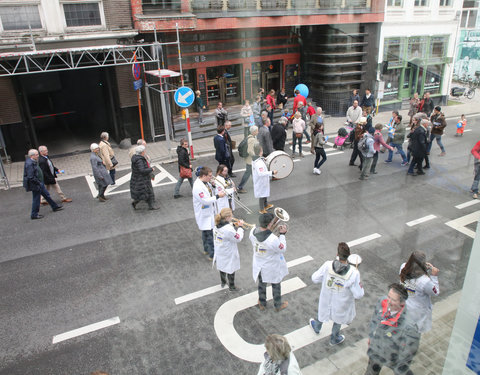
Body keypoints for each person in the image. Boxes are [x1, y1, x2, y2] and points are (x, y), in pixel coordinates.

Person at [309, 242, 364, 345]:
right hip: (341, 303)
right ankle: (334, 338)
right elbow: (358, 294)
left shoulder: (327, 265)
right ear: (349, 255)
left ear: (337, 254)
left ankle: (317, 326)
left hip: (327, 299)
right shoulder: (354, 272)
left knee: (323, 312)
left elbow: (315, 278)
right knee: (338, 320)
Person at [364, 283, 420, 375]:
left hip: (395, 356)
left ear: (402, 303)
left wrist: (401, 364)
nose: (388, 301)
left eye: (393, 299)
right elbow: (375, 319)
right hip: (377, 349)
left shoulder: (410, 325)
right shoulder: (383, 301)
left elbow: (411, 350)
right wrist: (371, 336)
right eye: (388, 296)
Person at [250, 212, 288, 312]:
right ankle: (278, 305)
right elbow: (282, 249)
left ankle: (262, 303)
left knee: (261, 284)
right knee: (276, 284)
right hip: (271, 266)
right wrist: (282, 235)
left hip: (259, 263)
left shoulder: (252, 231)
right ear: (270, 224)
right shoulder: (273, 239)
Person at [399, 251, 440, 333]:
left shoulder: (403, 267)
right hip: (418, 312)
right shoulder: (424, 281)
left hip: (405, 305)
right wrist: (434, 276)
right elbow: (435, 292)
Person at [192, 166, 226, 260]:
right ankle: (212, 254)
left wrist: (214, 186)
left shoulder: (205, 182)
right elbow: (205, 200)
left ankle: (206, 249)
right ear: (203, 175)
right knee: (210, 234)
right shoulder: (198, 187)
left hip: (208, 212)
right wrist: (218, 196)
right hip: (204, 214)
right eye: (210, 176)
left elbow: (210, 192)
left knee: (205, 232)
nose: (211, 177)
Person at [23, 149, 63, 219]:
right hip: (36, 184)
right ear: (32, 156)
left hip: (38, 182)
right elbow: (31, 177)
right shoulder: (30, 164)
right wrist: (38, 182)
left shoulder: (32, 161)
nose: (38, 156)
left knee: (46, 195)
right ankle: (34, 214)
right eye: (36, 155)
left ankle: (54, 206)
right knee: (36, 199)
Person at [213, 207, 243, 291]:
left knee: (221, 266)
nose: (232, 217)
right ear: (227, 217)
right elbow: (238, 238)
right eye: (231, 216)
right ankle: (232, 286)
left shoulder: (216, 225)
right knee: (231, 268)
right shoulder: (228, 229)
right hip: (228, 251)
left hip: (220, 249)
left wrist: (233, 224)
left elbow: (226, 231)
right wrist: (240, 228)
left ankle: (223, 282)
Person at [130, 145, 158, 210]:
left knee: (144, 193)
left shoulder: (135, 158)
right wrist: (151, 169)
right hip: (142, 179)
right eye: (144, 151)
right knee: (148, 192)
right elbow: (142, 170)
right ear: (142, 152)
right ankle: (150, 206)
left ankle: (137, 203)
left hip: (138, 178)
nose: (145, 151)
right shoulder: (140, 160)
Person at [252, 143, 277, 213]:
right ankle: (261, 209)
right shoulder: (258, 163)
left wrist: (263, 159)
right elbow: (261, 173)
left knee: (265, 193)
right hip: (261, 181)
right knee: (262, 195)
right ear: (260, 151)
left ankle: (266, 205)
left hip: (263, 181)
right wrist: (272, 173)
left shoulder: (257, 158)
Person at [237, 126, 259, 194]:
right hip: (250, 160)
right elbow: (249, 150)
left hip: (249, 159)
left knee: (253, 172)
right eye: (257, 131)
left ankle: (257, 184)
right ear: (254, 132)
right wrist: (255, 156)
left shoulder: (249, 136)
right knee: (247, 173)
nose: (258, 132)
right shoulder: (251, 139)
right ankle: (240, 187)